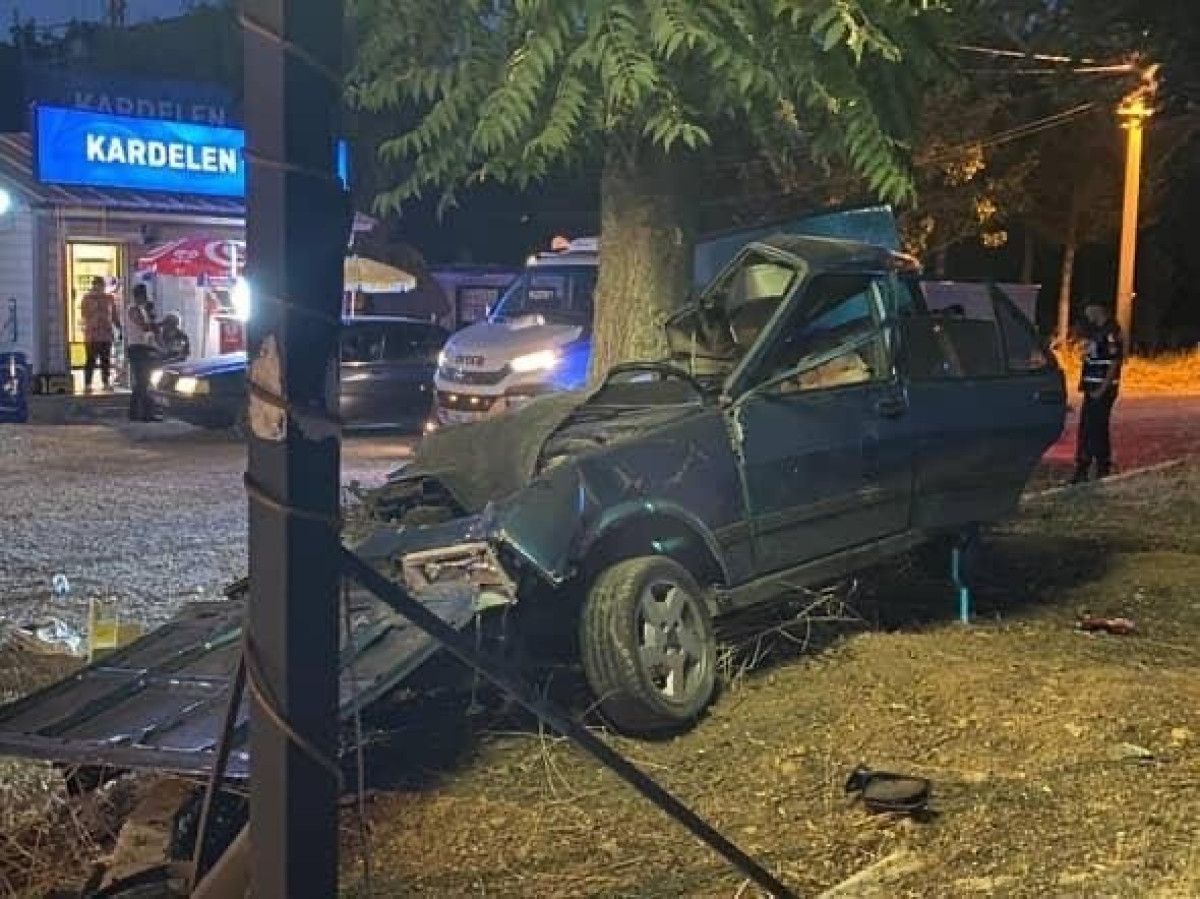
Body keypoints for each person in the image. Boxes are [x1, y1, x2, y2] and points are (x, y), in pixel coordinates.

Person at [1071, 303, 1123, 483]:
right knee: (1089, 427)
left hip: (1102, 389)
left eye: (1089, 310)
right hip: (1091, 387)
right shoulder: (1095, 331)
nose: (1087, 314)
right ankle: (1089, 466)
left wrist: (1102, 389)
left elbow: (1114, 362)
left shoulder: (1110, 332)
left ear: (1098, 309)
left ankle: (1098, 466)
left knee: (1096, 427)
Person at [79, 277, 121, 392]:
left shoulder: (109, 298)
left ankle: (105, 382)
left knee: (105, 359)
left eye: (101, 285)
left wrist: (119, 327)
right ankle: (88, 383)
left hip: (106, 333)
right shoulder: (87, 298)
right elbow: (84, 314)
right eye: (97, 285)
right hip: (92, 334)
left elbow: (114, 315)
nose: (99, 288)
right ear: (93, 285)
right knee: (91, 359)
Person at [125, 284, 159, 421]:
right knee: (142, 381)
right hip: (136, 348)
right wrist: (153, 322)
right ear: (139, 296)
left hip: (144, 347)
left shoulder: (142, 309)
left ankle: (139, 413)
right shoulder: (133, 309)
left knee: (144, 382)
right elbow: (144, 326)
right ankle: (142, 413)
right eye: (144, 296)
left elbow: (149, 328)